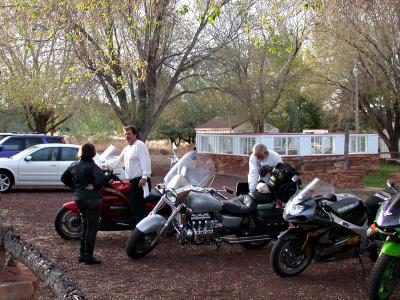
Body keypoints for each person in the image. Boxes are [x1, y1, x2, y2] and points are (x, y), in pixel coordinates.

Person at [61, 143, 112, 265]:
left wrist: (77, 187)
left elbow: (64, 178)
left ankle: (82, 255)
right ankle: (88, 256)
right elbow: (100, 180)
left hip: (80, 198)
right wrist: (109, 175)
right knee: (92, 228)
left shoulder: (74, 164)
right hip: (92, 199)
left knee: (85, 225)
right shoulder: (92, 165)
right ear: (93, 152)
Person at [116, 125, 152, 227]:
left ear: (135, 134)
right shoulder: (127, 148)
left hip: (140, 181)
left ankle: (139, 238)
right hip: (132, 182)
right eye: (125, 134)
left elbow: (146, 162)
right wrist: (104, 164)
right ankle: (136, 235)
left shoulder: (140, 145)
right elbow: (118, 162)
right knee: (134, 209)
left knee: (138, 210)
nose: (127, 136)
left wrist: (144, 177)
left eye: (129, 134)